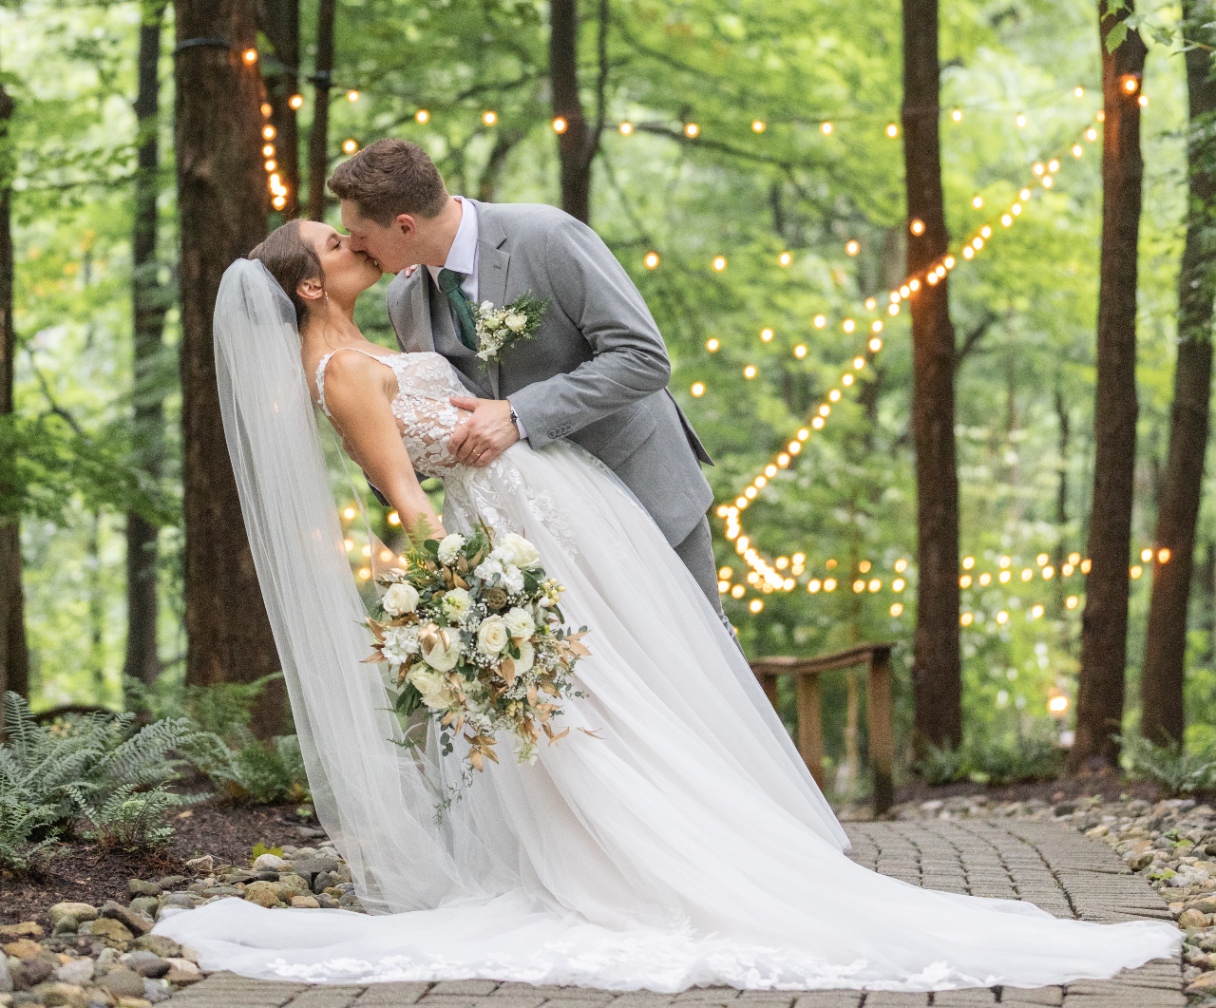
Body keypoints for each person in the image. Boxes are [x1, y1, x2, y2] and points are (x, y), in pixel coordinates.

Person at [166, 223, 1179, 994]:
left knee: (633, 683)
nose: (351, 246)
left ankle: (685, 847)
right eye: (335, 244)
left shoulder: (382, 326)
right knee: (592, 702)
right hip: (505, 538)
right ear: (309, 282)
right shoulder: (341, 371)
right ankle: (635, 869)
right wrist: (467, 594)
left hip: (554, 513)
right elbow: (408, 495)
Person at [328, 138, 723, 615]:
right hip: (544, 538)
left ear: (405, 226)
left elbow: (642, 357)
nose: (352, 245)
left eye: (358, 233)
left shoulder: (546, 236)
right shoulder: (404, 299)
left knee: (701, 660)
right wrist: (374, 446)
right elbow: (452, 416)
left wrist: (520, 413)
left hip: (639, 486)